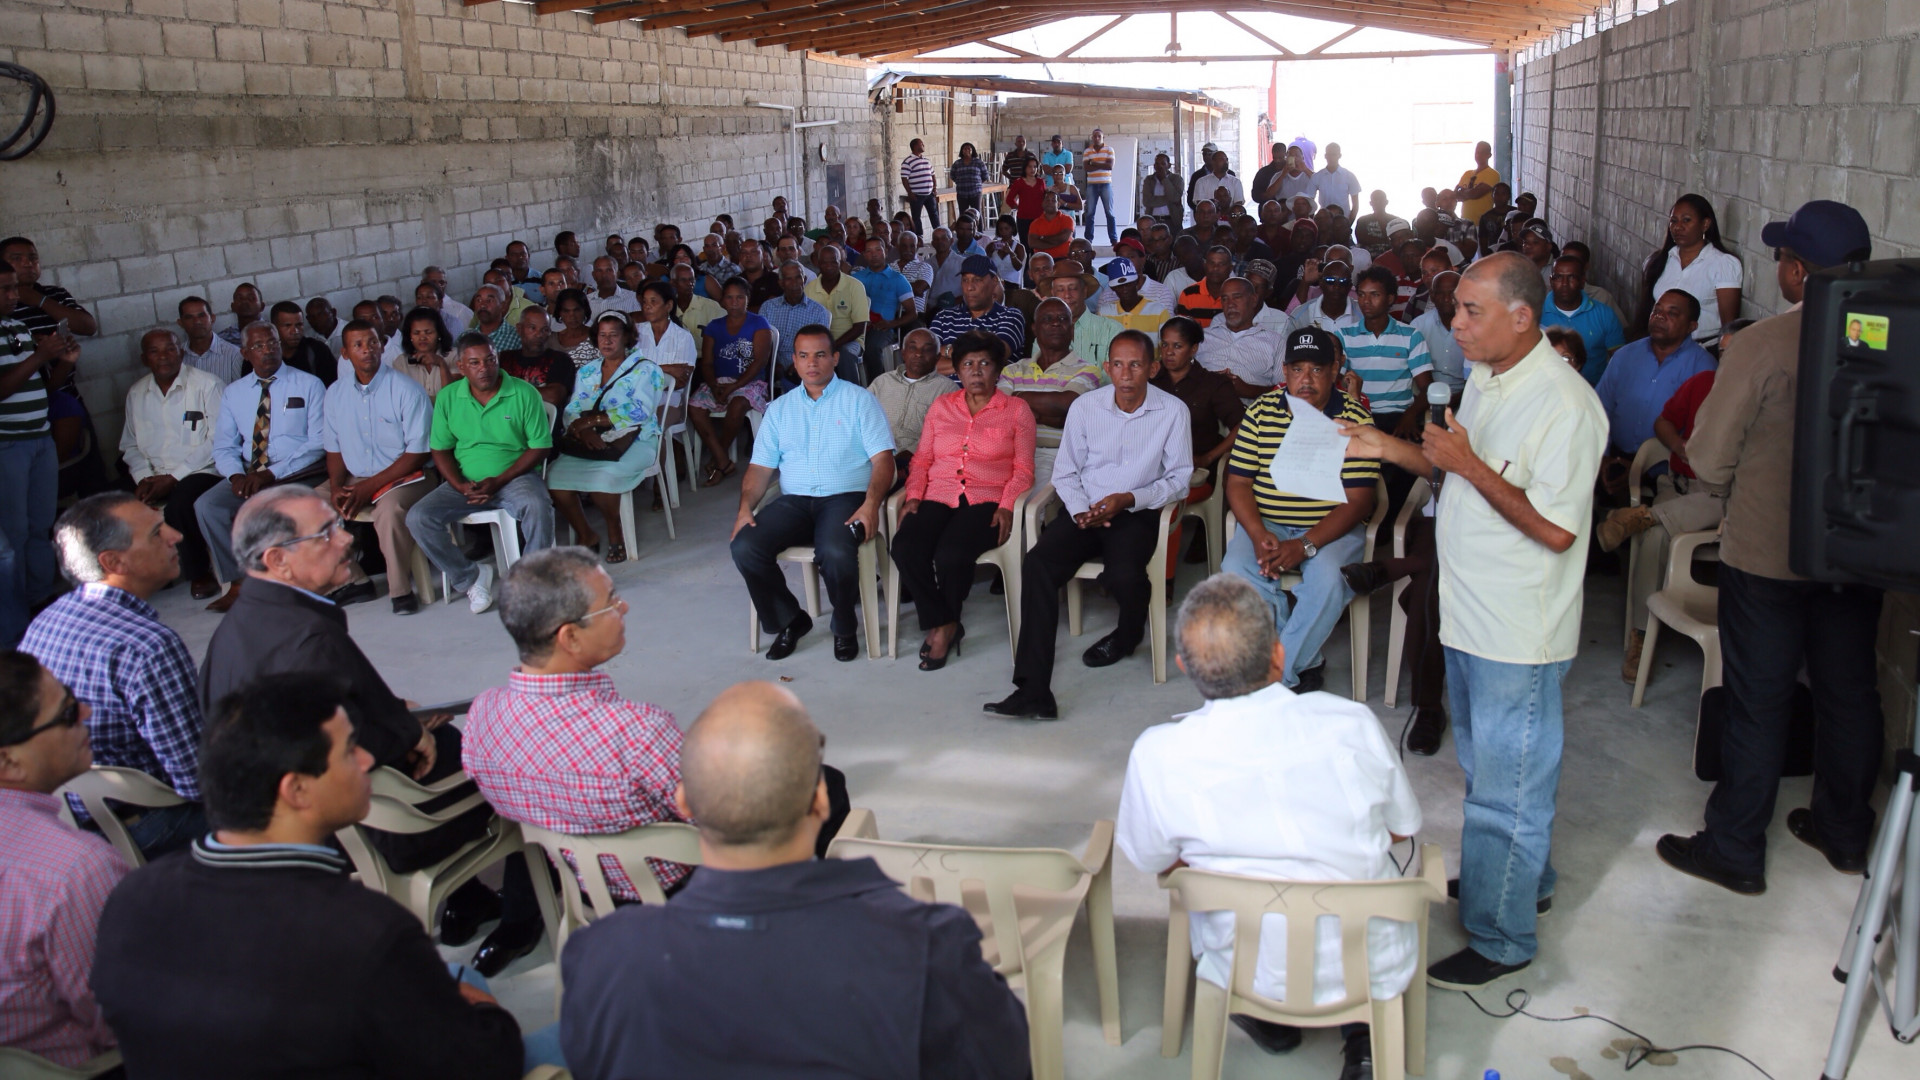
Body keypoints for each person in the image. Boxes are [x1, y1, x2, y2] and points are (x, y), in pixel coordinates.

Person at [1338, 252, 1606, 989]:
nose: (1454, 324)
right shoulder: (1488, 377)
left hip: (1515, 629)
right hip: (1465, 611)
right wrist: (1387, 447)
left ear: (1522, 318)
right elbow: (1451, 471)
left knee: (1506, 789)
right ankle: (1521, 880)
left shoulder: (1566, 406)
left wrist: (1468, 464)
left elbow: (1556, 530)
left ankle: (1502, 936)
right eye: (1455, 308)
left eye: (1470, 311)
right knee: (1490, 772)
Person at [559, 679, 1027, 1077]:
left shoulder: (600, 955)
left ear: (684, 802)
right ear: (821, 801)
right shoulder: (927, 947)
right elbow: (1002, 1065)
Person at [91, 673, 532, 1079]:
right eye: (348, 750)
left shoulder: (130, 898)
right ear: (297, 790)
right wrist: (487, 1014)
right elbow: (486, 1066)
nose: (367, 759)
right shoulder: (366, 931)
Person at [1656, 200, 1883, 895]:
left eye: (1784, 258)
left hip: (1766, 555)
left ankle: (1735, 847)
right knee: (1849, 694)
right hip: (1857, 553)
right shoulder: (1889, 338)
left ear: (1796, 271)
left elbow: (1709, 460)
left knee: (1759, 698)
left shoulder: (1762, 345)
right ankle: (1845, 832)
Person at [1117, 574, 1419, 1080]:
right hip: (1371, 962)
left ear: (1185, 668)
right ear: (1278, 656)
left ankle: (1268, 1019)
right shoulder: (1351, 722)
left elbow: (1156, 862)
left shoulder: (1158, 753)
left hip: (1245, 967)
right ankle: (1364, 1042)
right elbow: (1401, 829)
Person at [986, 331, 1192, 720]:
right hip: (1086, 510)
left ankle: (1129, 633)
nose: (1126, 374)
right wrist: (1083, 511)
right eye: (1118, 365)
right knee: (1038, 564)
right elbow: (1065, 473)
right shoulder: (1086, 407)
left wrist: (1128, 499)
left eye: (1136, 365)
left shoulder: (1172, 411)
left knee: (1125, 575)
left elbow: (1179, 479)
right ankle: (1033, 691)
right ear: (1107, 368)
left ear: (1152, 368)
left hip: (1136, 511)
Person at [465, 547, 690, 901]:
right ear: (569, 637)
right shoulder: (639, 732)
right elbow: (723, 821)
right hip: (678, 895)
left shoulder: (482, 716)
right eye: (611, 602)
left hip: (583, 891)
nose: (624, 607)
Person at [21, 494, 205, 858]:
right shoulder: (147, 645)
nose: (176, 536)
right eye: (156, 533)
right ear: (113, 561)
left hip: (69, 817)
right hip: (144, 824)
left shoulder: (47, 620)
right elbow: (198, 780)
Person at [1221, 327, 1380, 692]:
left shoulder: (1354, 418)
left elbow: (1359, 501)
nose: (1305, 379)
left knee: (1328, 580)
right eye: (1297, 369)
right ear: (1284, 371)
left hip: (1331, 528)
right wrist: (1258, 534)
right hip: (1269, 523)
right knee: (1237, 571)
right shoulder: (1261, 411)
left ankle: (1275, 676)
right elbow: (1238, 482)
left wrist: (1305, 544)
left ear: (1334, 369)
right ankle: (1304, 661)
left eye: (1317, 369)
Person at [731, 326, 895, 663]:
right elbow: (760, 468)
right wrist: (745, 508)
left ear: (835, 358)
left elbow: (883, 460)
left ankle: (844, 625)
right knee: (745, 546)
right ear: (794, 361)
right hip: (795, 501)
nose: (812, 363)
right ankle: (790, 620)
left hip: (844, 498)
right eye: (804, 356)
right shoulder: (779, 409)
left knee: (834, 551)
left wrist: (870, 505)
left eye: (820, 355)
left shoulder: (860, 401)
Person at [0, 650, 127, 1069]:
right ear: (8, 761)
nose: (87, 712)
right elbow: (123, 1023)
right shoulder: (76, 868)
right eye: (68, 712)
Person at [890, 332, 1033, 670]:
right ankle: (944, 620)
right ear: (957, 371)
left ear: (998, 370)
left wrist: (1007, 505)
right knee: (905, 547)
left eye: (985, 363)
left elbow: (1024, 470)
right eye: (968, 364)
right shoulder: (942, 407)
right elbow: (922, 459)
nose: (976, 371)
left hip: (987, 498)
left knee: (952, 555)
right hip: (939, 493)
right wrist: (913, 495)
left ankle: (944, 628)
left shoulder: (1016, 410)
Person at [407, 333, 557, 614]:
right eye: (474, 363)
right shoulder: (449, 397)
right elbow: (440, 449)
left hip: (515, 477)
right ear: (461, 367)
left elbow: (540, 447)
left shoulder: (523, 392)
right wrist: (460, 485)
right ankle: (470, 577)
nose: (484, 368)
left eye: (490, 360)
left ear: (498, 359)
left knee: (538, 506)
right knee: (419, 517)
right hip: (466, 481)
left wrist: (499, 481)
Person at [1599, 366, 1728, 680]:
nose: (1726, 351)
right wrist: (1678, 445)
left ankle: (1640, 516)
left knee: (1722, 498)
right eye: (1724, 348)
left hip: (1721, 497)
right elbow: (1663, 422)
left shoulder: (1760, 392)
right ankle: (1641, 636)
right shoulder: (1703, 381)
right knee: (1654, 538)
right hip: (1680, 485)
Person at [194, 322, 328, 612]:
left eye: (272, 343)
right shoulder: (234, 393)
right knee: (208, 505)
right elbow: (224, 446)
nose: (267, 350)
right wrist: (236, 476)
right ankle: (239, 583)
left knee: (268, 505)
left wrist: (270, 474)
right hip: (249, 471)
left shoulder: (308, 384)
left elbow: (319, 442)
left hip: (296, 471)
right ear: (245, 353)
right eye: (258, 346)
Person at [320, 319, 436, 614]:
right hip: (356, 476)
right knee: (305, 507)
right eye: (357, 345)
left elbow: (417, 454)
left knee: (390, 511)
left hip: (408, 476)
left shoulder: (406, 389)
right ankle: (354, 580)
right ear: (345, 353)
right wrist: (336, 487)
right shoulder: (335, 393)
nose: (367, 349)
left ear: (382, 347)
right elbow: (333, 449)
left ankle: (401, 591)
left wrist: (368, 487)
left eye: (372, 342)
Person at [546, 315, 669, 565]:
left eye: (614, 334)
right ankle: (586, 533)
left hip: (637, 439)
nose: (607, 341)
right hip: (590, 438)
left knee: (604, 479)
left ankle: (615, 529)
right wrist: (584, 430)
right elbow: (572, 409)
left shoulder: (647, 369)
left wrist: (592, 421)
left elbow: (641, 411)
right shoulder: (587, 371)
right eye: (602, 335)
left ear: (627, 337)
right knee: (554, 479)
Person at [117, 326, 226, 600]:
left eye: (170, 349)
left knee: (181, 503)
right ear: (144, 359)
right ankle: (151, 572)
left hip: (202, 469)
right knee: (115, 500)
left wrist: (174, 477)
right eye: (154, 351)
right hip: (153, 474)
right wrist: (143, 478)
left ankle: (199, 572)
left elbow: (218, 440)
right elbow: (129, 444)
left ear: (182, 352)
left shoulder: (207, 385)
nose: (163, 356)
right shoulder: (137, 393)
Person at [999, 298, 1103, 486]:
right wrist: (1053, 418)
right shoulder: (1013, 370)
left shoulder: (1088, 370)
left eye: (1063, 319)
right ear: (1034, 329)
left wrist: (1018, 398)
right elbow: (1000, 411)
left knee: (1029, 500)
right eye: (1047, 319)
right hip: (1009, 452)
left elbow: (1067, 403)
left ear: (1072, 330)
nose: (1056, 323)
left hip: (1058, 456)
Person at [687, 277, 773, 486]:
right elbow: (707, 363)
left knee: (737, 405)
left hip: (751, 382)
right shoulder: (714, 327)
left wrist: (734, 387)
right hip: (719, 381)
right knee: (695, 407)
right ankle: (723, 461)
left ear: (747, 298)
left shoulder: (758, 323)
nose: (734, 303)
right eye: (729, 298)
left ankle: (719, 461)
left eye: (740, 297)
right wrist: (714, 386)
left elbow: (759, 362)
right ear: (722, 300)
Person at [1341, 265, 1435, 440]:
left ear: (1390, 298)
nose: (1366, 301)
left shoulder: (1411, 335)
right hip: (1358, 413)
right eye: (1361, 294)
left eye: (1374, 295)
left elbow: (1427, 388)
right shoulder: (1344, 336)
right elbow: (1335, 384)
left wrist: (1410, 415)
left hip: (1398, 416)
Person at [1641, 193, 1743, 348]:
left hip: (1703, 348)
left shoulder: (1723, 264)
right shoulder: (1658, 260)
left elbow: (1729, 325)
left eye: (1686, 220)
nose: (1678, 227)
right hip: (1660, 347)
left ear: (1705, 224)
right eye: (1673, 221)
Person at [868, 328, 957, 488]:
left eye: (927, 349)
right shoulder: (882, 382)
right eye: (912, 347)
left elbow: (945, 437)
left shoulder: (948, 390)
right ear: (903, 353)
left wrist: (910, 453)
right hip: (875, 454)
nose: (918, 354)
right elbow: (861, 420)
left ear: (937, 357)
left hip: (914, 461)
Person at [1538, 254, 1626, 387]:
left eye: (1571, 277)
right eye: (1558, 277)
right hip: (1546, 390)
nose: (1564, 284)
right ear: (1551, 281)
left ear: (1582, 281)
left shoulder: (1604, 314)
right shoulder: (1536, 313)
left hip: (1594, 391)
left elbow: (1619, 361)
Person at [1195, 277, 1283, 400]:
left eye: (1237, 297)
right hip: (1203, 407)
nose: (1230, 304)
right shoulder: (1202, 337)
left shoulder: (1275, 342)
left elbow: (1284, 390)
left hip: (1250, 409)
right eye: (1224, 299)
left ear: (1253, 300)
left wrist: (1249, 390)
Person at [931, 254, 1027, 361]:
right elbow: (927, 360)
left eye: (977, 280)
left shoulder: (1010, 316)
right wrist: (975, 359)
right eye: (965, 280)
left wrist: (948, 351)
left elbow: (994, 356)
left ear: (994, 281)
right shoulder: (944, 317)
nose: (969, 287)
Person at [804, 244, 871, 385]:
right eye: (824, 262)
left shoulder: (855, 286)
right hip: (819, 342)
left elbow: (859, 327)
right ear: (818, 264)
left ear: (840, 263)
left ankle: (851, 395)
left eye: (834, 262)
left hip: (851, 341)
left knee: (844, 354)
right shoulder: (809, 289)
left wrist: (832, 345)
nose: (829, 266)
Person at [852, 238, 916, 382]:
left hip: (882, 328)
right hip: (857, 326)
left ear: (885, 252)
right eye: (869, 251)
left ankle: (878, 387)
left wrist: (891, 323)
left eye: (878, 250)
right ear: (864, 255)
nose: (874, 254)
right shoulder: (856, 278)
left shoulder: (897, 279)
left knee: (872, 348)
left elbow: (912, 313)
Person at [1046, 259, 1122, 366]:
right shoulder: (1045, 335)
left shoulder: (1112, 330)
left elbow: (1119, 372)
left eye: (1073, 288)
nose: (1067, 295)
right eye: (1060, 290)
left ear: (1084, 291)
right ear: (1053, 294)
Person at [498, 306, 576, 410]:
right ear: (519, 329)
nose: (539, 334)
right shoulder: (504, 358)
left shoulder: (561, 359)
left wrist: (507, 390)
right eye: (532, 328)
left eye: (545, 329)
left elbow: (553, 397)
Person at [1411, 270, 1466, 403]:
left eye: (1452, 293)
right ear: (1432, 295)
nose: (1446, 299)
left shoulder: (1476, 328)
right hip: (1425, 398)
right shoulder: (1418, 326)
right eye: (1440, 293)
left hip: (1466, 398)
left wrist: (1454, 402)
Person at [176, 295, 247, 384]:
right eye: (189, 317)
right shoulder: (176, 357)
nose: (197, 321)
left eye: (202, 316)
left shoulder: (234, 355)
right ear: (180, 323)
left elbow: (242, 389)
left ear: (212, 318)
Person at [1285, 259, 1359, 336]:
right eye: (1330, 280)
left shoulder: (1363, 314)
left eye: (1343, 281)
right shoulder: (1300, 315)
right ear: (1321, 283)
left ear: (1350, 286)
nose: (1336, 286)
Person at [1098, 257, 1169, 337]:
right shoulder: (1103, 313)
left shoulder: (1159, 311)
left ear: (1137, 281)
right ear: (1112, 288)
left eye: (1128, 284)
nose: (1124, 289)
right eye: (1119, 286)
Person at [1078, 128, 1118, 244]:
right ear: (1092, 138)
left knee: (1110, 213)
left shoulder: (1109, 149)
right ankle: (1088, 240)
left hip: (1106, 185)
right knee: (1090, 213)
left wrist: (1094, 163)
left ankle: (1114, 239)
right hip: (1092, 185)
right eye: (1094, 136)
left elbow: (1110, 166)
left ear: (1103, 137)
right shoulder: (1087, 151)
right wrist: (1102, 164)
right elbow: (1087, 168)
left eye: (1099, 136)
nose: (1096, 138)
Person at [1454, 140, 1501, 224]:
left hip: (1482, 223)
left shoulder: (1493, 174)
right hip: (1464, 222)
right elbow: (1456, 196)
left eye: (1482, 153)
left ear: (1489, 155)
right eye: (1477, 152)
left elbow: (1476, 194)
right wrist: (1471, 191)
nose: (1479, 155)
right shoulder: (1467, 173)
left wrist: (1463, 191)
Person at [470, 284, 523, 356]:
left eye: (489, 300)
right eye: (478, 300)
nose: (482, 305)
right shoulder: (466, 337)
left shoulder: (517, 337)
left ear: (503, 305)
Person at [900, 138, 938, 237]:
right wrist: (909, 193)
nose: (923, 145)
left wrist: (934, 188)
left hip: (929, 194)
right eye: (921, 144)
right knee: (916, 217)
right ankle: (919, 237)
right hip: (917, 195)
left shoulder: (926, 160)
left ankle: (939, 232)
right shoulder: (908, 161)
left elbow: (933, 175)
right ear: (915, 146)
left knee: (934, 214)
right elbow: (904, 178)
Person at [1312, 143, 1362, 218]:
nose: (1331, 157)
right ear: (1325, 156)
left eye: (1334, 154)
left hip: (1343, 220)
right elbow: (1309, 201)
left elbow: (1355, 206)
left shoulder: (1349, 176)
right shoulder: (1317, 176)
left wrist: (1349, 222)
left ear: (1339, 155)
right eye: (1329, 154)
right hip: (1324, 221)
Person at [949, 142, 990, 225]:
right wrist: (960, 182)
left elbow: (985, 175)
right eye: (965, 149)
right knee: (963, 214)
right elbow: (952, 175)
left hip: (975, 192)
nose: (967, 150)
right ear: (962, 151)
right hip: (962, 193)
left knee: (977, 213)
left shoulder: (979, 162)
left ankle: (979, 231)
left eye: (969, 149)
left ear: (972, 151)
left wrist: (976, 183)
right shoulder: (957, 163)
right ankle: (963, 230)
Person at [1140, 152, 1182, 230]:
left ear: (1169, 165)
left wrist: (1164, 179)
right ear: (1154, 166)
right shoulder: (1149, 180)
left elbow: (1175, 198)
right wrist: (1169, 199)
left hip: (1172, 220)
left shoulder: (1177, 179)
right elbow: (1147, 201)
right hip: (1153, 220)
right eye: (1157, 164)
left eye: (1163, 163)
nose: (1160, 166)